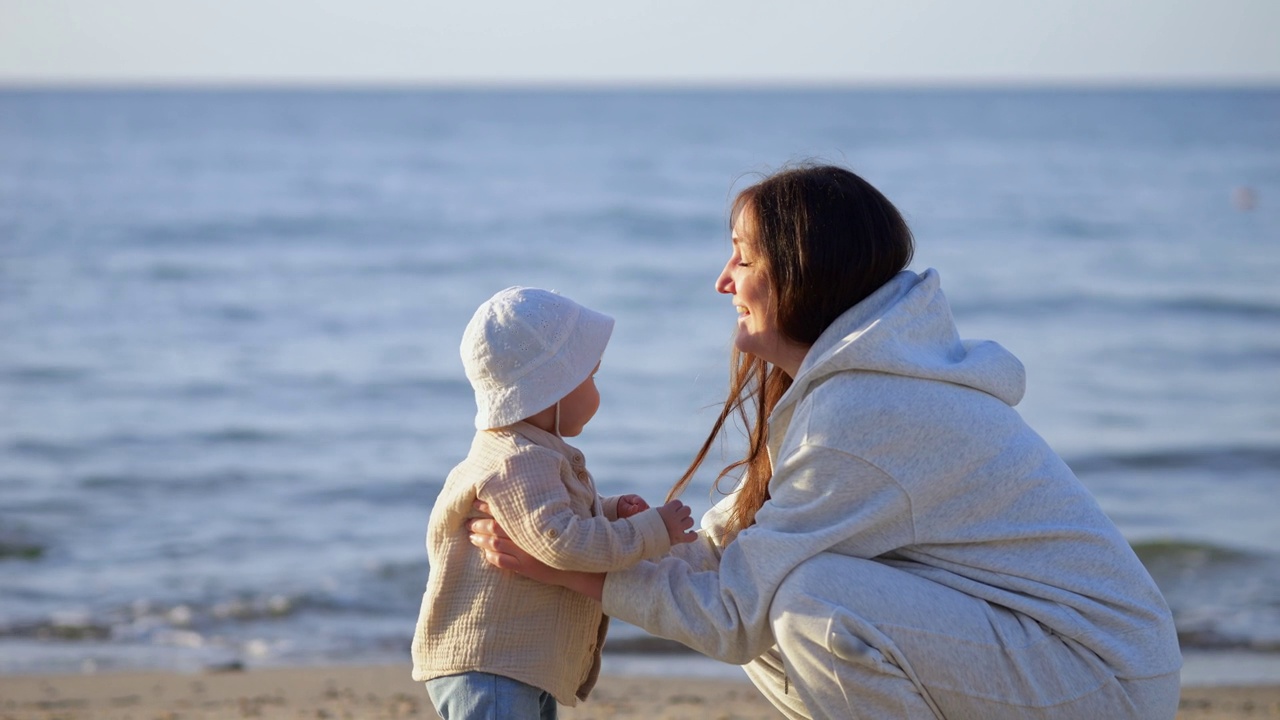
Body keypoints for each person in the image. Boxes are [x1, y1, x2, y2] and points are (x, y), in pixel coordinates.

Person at [468, 166, 1183, 719]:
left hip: (1100, 680)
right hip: (1066, 661)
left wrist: (573, 575)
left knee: (807, 603)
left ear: (798, 267)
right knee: (778, 600)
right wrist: (616, 535)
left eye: (741, 258)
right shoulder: (843, 387)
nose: (722, 282)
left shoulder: (864, 411)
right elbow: (731, 557)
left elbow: (731, 615)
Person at [411, 286, 697, 719]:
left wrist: (610, 509)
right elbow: (560, 541)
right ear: (551, 388)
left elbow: (547, 517)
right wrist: (652, 531)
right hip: (489, 662)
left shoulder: (528, 452)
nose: (597, 388)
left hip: (518, 660)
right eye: (592, 376)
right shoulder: (517, 460)